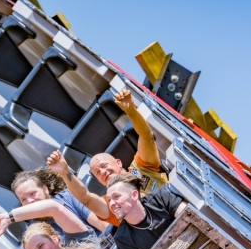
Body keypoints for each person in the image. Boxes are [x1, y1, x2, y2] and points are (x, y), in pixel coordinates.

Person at [45, 87, 167, 227]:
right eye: (98, 173)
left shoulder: (141, 167)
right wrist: (65, 172)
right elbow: (86, 199)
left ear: (118, 163)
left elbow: (146, 136)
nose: (103, 172)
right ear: (100, 181)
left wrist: (130, 110)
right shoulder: (112, 204)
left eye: (104, 166)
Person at [1, 168, 108, 239]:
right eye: (23, 199)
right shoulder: (33, 233)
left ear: (45, 189)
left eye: (32, 193)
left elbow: (104, 226)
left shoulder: (68, 197)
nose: (30, 201)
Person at [105, 173, 187, 249]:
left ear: (134, 195)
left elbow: (191, 218)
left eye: (116, 196)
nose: (111, 204)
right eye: (109, 200)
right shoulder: (122, 238)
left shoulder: (160, 198)